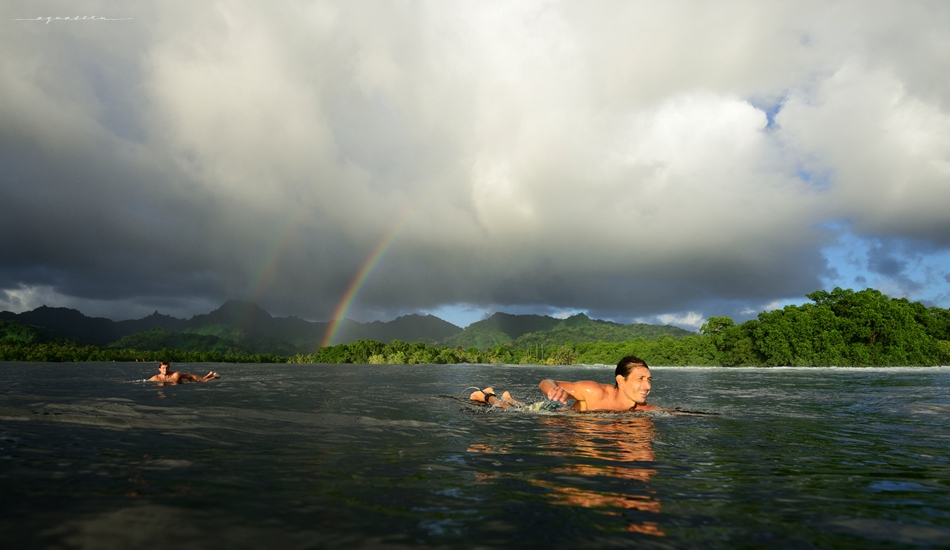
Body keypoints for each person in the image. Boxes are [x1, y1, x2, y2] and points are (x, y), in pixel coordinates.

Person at [470, 355, 661, 412]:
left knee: (520, 406)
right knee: (509, 411)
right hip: (553, 409)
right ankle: (487, 395)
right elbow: (544, 382)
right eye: (640, 379)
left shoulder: (644, 409)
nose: (647, 386)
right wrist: (554, 389)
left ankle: (509, 398)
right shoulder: (594, 392)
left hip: (561, 412)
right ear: (621, 380)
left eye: (649, 379)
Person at [149, 361, 220, 384]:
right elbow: (144, 382)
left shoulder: (176, 374)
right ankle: (209, 374)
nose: (165, 370)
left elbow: (192, 376)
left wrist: (204, 381)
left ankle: (212, 376)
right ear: (159, 369)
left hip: (187, 381)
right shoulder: (156, 378)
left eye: (167, 368)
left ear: (169, 368)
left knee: (200, 381)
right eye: (163, 368)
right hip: (181, 382)